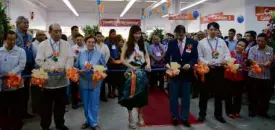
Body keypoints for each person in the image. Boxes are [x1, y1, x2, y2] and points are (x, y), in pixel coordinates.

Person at [36, 23, 74, 130]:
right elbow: (39, 60)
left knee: (61, 105)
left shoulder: (66, 44)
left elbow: (70, 58)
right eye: (55, 31)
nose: (58, 34)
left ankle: (59, 123)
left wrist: (67, 68)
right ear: (49, 32)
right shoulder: (43, 45)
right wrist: (51, 68)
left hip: (62, 80)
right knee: (46, 106)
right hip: (47, 81)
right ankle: (45, 125)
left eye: (60, 31)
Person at [165, 25, 198, 127]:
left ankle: (184, 117)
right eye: (177, 35)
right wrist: (169, 67)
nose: (179, 37)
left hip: (187, 74)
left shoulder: (192, 43)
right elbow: (166, 57)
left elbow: (195, 57)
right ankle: (175, 116)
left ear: (185, 33)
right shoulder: (171, 42)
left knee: (186, 98)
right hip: (174, 74)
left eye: (181, 35)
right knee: (173, 97)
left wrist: (190, 64)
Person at [197, 22, 231, 123]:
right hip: (207, 70)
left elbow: (227, 54)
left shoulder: (222, 42)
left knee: (219, 94)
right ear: (207, 30)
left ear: (218, 31)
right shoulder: (202, 42)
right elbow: (199, 57)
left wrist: (226, 59)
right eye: (211, 29)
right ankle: (202, 114)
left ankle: (218, 115)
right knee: (204, 94)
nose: (213, 31)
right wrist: (207, 63)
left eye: (215, 30)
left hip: (219, 70)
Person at [119, 25, 151, 129]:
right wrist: (131, 66)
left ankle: (140, 114)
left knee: (141, 94)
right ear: (131, 34)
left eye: (139, 33)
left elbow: (146, 56)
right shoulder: (127, 44)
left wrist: (148, 64)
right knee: (130, 94)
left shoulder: (143, 44)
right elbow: (122, 59)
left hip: (141, 72)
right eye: (135, 33)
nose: (137, 35)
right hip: (130, 72)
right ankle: (130, 116)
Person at [75, 35, 106, 130]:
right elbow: (76, 67)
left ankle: (94, 123)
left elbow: (105, 68)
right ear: (85, 42)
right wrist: (79, 71)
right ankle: (88, 121)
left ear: (95, 43)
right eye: (89, 42)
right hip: (83, 81)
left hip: (95, 82)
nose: (91, 44)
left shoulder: (99, 54)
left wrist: (95, 69)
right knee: (85, 103)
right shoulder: (80, 54)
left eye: (93, 42)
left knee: (94, 103)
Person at [0, 30, 26, 130]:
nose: (12, 42)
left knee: (16, 109)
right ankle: (4, 126)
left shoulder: (20, 51)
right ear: (4, 40)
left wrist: (10, 74)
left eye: (14, 39)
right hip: (2, 85)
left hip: (17, 85)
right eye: (10, 39)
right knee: (3, 109)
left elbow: (21, 65)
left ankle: (16, 126)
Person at [247, 33, 273, 118]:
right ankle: (252, 111)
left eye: (262, 41)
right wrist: (259, 64)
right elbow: (250, 60)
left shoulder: (270, 49)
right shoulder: (252, 49)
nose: (260, 42)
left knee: (265, 96)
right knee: (253, 95)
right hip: (254, 76)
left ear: (266, 41)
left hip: (266, 76)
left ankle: (263, 111)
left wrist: (270, 62)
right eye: (258, 41)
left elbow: (271, 59)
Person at [15, 16, 35, 119]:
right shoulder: (13, 34)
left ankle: (24, 112)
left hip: (29, 66)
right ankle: (17, 115)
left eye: (27, 23)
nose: (27, 24)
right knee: (18, 91)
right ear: (17, 24)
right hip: (18, 66)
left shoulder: (30, 35)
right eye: (24, 23)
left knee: (26, 91)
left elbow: (30, 48)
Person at [224, 39, 248, 119]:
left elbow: (245, 66)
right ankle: (229, 112)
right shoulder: (230, 53)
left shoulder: (245, 55)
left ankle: (237, 111)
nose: (239, 46)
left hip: (240, 78)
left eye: (242, 45)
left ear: (245, 47)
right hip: (229, 77)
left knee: (238, 95)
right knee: (229, 95)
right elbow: (226, 64)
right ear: (236, 44)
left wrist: (244, 68)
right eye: (239, 44)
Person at [31, 30, 46, 115]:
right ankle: (36, 109)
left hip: (46, 70)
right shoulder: (33, 45)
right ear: (36, 36)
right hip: (36, 70)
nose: (41, 36)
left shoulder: (47, 44)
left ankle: (44, 107)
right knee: (36, 91)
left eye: (43, 35)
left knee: (45, 90)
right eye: (39, 35)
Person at [95, 32, 110, 102]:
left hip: (102, 66)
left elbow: (108, 55)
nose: (99, 38)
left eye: (100, 36)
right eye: (97, 36)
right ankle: (95, 96)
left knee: (103, 82)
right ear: (95, 37)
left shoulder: (105, 46)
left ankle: (103, 96)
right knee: (95, 82)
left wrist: (104, 63)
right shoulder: (93, 45)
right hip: (94, 66)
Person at [106, 29, 120, 98]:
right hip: (110, 61)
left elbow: (117, 51)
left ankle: (114, 91)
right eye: (113, 34)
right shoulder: (108, 42)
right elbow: (107, 53)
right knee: (110, 78)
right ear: (110, 34)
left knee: (116, 78)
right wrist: (112, 59)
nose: (114, 35)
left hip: (116, 61)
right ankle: (109, 92)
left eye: (115, 34)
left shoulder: (116, 42)